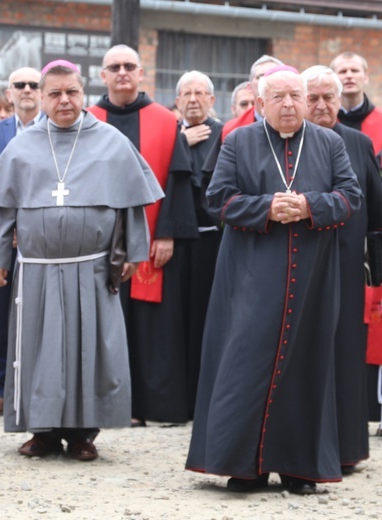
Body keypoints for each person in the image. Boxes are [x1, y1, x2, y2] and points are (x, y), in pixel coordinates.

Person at [0, 58, 162, 460]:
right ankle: (41, 432)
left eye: (71, 92)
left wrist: (129, 253)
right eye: (54, 93)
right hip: (36, 270)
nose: (64, 101)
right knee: (38, 351)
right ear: (40, 97)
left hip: (90, 268)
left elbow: (130, 204)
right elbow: (0, 208)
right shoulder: (22, 145)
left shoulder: (109, 141)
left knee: (88, 352)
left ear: (83, 93)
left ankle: (81, 435)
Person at [186, 65, 362, 495]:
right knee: (245, 364)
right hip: (250, 275)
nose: (289, 105)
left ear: (306, 99)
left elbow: (351, 197)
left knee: (307, 364)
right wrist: (266, 208)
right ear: (260, 103)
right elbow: (218, 199)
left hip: (313, 280)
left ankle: (300, 467)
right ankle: (244, 467)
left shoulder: (329, 142)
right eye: (278, 97)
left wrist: (308, 206)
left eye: (296, 96)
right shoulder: (239, 140)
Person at [87, 44, 195, 426]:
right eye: (113, 67)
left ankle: (152, 406)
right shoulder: (88, 119)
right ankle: (106, 405)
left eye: (129, 66)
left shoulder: (166, 121)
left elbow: (178, 182)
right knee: (103, 322)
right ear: (102, 75)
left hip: (152, 242)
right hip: (96, 243)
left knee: (152, 325)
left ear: (140, 73)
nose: (122, 73)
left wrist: (166, 234)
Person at [301, 64, 382, 474]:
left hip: (349, 266)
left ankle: (347, 448)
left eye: (327, 97)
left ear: (339, 100)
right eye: (311, 97)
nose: (320, 105)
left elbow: (376, 216)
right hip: (300, 266)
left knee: (347, 354)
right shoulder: (289, 144)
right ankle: (305, 444)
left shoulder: (359, 142)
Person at [0, 66, 42, 418]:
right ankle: (0, 389)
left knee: (41, 317)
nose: (27, 89)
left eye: (34, 84)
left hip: (44, 241)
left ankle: (36, 391)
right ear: (10, 93)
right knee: (1, 318)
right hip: (5, 241)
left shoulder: (55, 130)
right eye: (20, 85)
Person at [174, 70, 223, 419]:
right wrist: (181, 144)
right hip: (175, 241)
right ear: (177, 102)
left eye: (199, 93)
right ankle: (179, 399)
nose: (193, 99)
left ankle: (205, 400)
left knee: (208, 319)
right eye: (186, 94)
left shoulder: (226, 134)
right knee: (176, 323)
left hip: (213, 241)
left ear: (211, 100)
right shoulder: (170, 135)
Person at [331, 52, 382, 159]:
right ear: (332, 80)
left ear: (366, 77)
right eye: (342, 71)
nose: (349, 76)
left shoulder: (380, 119)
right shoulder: (323, 121)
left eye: (354, 70)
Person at [221, 55, 284, 140]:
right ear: (250, 87)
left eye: (273, 75)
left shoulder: (300, 122)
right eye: (260, 76)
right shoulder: (232, 129)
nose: (267, 81)